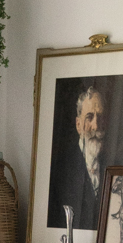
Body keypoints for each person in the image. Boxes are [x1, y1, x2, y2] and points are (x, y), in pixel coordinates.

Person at [47, 84, 110, 231]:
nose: (96, 126)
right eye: (89, 117)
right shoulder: (60, 170)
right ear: (78, 124)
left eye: (100, 118)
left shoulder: (115, 165)